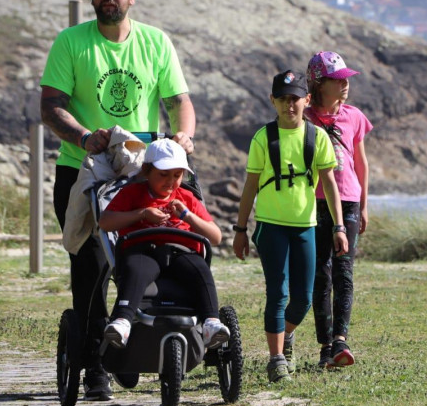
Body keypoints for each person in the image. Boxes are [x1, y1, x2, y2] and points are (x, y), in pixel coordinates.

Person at [40, 0, 196, 400]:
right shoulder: (71, 43)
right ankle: (95, 364)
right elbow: (51, 106)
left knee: (145, 256)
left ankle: (136, 343)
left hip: (141, 170)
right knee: (89, 266)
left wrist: (184, 135)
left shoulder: (155, 42)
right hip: (82, 169)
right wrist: (85, 136)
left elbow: (179, 100)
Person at [232, 70, 348, 383]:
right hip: (271, 227)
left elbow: (330, 184)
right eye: (283, 99)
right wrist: (240, 230)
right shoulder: (263, 138)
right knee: (277, 293)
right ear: (273, 101)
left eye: (295, 99)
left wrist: (339, 227)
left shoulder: (316, 137)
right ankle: (276, 359)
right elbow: (250, 186)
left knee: (303, 298)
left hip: (305, 226)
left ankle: (287, 336)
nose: (289, 105)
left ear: (307, 100)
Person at [99, 139, 228, 349]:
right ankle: (122, 321)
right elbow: (105, 222)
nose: (171, 181)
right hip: (143, 250)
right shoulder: (133, 194)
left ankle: (211, 322)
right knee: (137, 270)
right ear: (146, 171)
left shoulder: (186, 197)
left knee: (200, 270)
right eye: (163, 174)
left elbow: (215, 236)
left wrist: (187, 216)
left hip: (181, 252)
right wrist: (141, 214)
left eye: (177, 175)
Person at [304, 51, 372, 368]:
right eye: (337, 79)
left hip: (349, 202)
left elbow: (361, 163)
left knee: (344, 273)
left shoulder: (354, 116)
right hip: (315, 201)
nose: (345, 85)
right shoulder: (303, 116)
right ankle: (325, 344)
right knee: (322, 273)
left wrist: (364, 205)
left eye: (346, 79)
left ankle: (341, 341)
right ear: (319, 84)